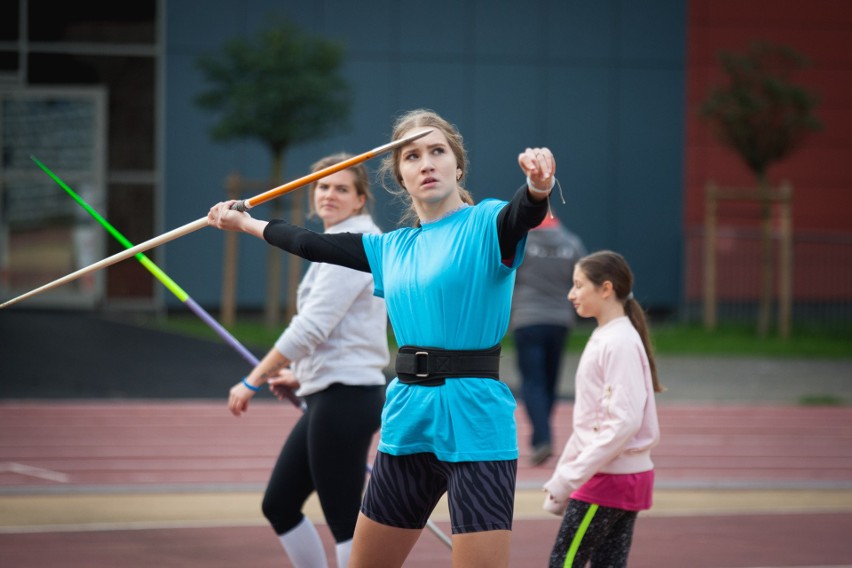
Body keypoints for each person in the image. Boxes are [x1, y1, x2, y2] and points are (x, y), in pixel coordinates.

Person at [208, 108, 556, 568]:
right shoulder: (391, 248)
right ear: (400, 176)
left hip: (475, 421)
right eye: (412, 156)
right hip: (407, 418)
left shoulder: (487, 223)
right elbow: (310, 243)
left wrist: (538, 188)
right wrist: (245, 223)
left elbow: (523, 213)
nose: (426, 163)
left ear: (458, 165)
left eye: (437, 151)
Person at [225, 154, 389, 568]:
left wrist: (253, 379)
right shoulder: (339, 240)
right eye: (322, 186)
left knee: (345, 522)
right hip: (333, 392)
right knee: (279, 504)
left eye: (341, 187)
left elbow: (313, 327)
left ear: (360, 198)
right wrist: (300, 375)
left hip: (348, 398)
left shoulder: (357, 242)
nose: (329, 194)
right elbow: (340, 333)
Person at [542, 250, 664, 568]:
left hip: (608, 478)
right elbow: (590, 422)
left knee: (564, 561)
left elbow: (622, 422)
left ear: (606, 289)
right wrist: (565, 475)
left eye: (579, 285)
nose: (571, 294)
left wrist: (569, 477)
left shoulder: (619, 341)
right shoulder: (609, 336)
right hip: (617, 476)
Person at [509, 215, 586, 466]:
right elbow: (583, 278)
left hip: (526, 319)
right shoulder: (572, 243)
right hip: (559, 320)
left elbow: (506, 276)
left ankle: (541, 437)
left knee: (533, 381)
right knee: (550, 381)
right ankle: (543, 432)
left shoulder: (522, 242)